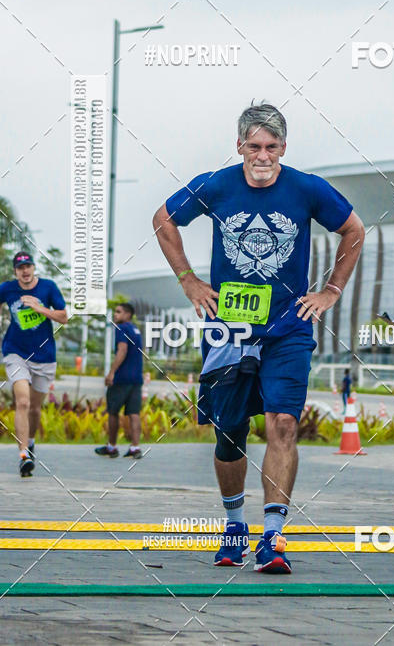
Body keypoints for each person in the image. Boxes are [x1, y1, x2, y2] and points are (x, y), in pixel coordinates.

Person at [153, 102, 364, 573]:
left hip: (288, 329)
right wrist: (188, 279)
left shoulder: (307, 189)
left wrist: (331, 290)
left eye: (271, 147)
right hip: (228, 329)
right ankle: (234, 527)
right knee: (230, 434)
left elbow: (353, 230)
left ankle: (272, 537)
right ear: (240, 147)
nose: (262, 155)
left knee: (283, 424)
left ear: (283, 149)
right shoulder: (216, 184)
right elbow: (163, 220)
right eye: (254, 146)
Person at [0, 251, 68, 477]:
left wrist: (39, 308)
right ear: (15, 271)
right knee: (22, 402)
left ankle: (29, 442)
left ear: (33, 267)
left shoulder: (48, 287)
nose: (25, 271)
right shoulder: (8, 289)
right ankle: (23, 456)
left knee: (35, 409)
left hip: (44, 356)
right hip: (15, 352)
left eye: (28, 266)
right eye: (20, 268)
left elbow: (63, 317)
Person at [95, 303, 144, 460]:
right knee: (134, 413)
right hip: (136, 378)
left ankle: (112, 447)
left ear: (128, 315)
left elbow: (122, 351)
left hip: (122, 378)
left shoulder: (121, 329)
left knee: (113, 412)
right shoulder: (136, 330)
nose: (115, 315)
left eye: (118, 312)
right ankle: (135, 447)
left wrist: (111, 373)